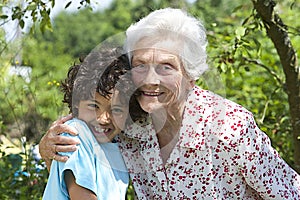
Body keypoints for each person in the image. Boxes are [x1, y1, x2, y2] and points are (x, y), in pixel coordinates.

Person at [39, 8, 300, 199]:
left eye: (166, 67)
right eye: (140, 65)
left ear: (191, 76)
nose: (150, 80)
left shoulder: (229, 128)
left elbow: (290, 193)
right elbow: (80, 160)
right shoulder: (129, 121)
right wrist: (48, 149)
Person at [42, 47, 131, 199]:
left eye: (116, 109)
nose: (103, 118)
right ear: (76, 104)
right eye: (94, 106)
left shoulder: (117, 145)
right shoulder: (74, 134)